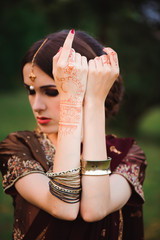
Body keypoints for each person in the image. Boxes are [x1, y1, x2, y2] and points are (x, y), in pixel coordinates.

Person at [0, 29, 147, 240]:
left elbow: (95, 209)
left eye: (51, 91)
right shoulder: (19, 147)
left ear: (92, 87)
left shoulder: (128, 153)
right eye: (30, 90)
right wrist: (72, 102)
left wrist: (95, 102)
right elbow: (63, 207)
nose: (37, 105)